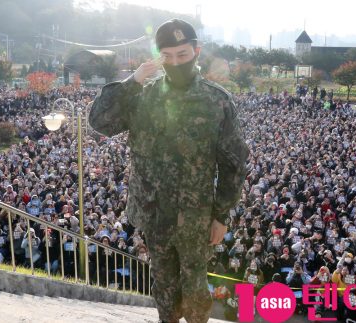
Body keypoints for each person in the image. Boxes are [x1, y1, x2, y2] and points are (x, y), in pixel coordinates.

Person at [88, 18, 249, 323]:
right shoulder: (142, 95)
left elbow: (233, 164)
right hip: (155, 213)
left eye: (183, 55)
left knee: (196, 289)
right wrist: (131, 81)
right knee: (163, 287)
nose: (175, 63)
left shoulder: (217, 101)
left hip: (196, 215)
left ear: (196, 51)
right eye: (168, 56)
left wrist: (221, 215)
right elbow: (99, 121)